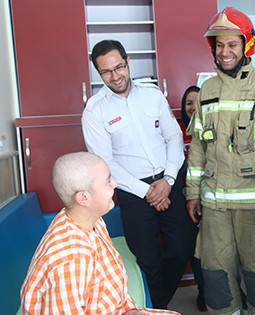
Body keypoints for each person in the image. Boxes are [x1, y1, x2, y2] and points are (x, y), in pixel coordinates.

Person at [186, 6, 255, 315]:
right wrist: (193, 193)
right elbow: (198, 147)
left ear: (247, 45)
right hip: (215, 207)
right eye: (219, 44)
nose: (225, 51)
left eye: (232, 44)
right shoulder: (207, 89)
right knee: (216, 277)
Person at [81, 40, 189, 309]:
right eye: (106, 72)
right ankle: (159, 309)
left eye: (119, 67)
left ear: (128, 62)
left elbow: (174, 137)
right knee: (148, 260)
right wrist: (147, 192)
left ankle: (157, 305)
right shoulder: (95, 111)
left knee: (180, 251)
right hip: (132, 193)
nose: (115, 76)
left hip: (169, 180)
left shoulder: (152, 95)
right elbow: (105, 162)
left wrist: (169, 181)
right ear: (98, 72)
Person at [20, 152, 180, 315]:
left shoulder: (91, 219)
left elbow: (110, 288)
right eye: (107, 181)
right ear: (83, 198)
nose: (115, 184)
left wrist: (130, 309)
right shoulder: (70, 262)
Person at [179, 85, 207, 311]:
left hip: (214, 198)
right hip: (187, 199)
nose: (193, 107)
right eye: (189, 103)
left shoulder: (211, 127)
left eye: (198, 102)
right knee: (195, 250)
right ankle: (203, 291)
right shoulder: (176, 129)